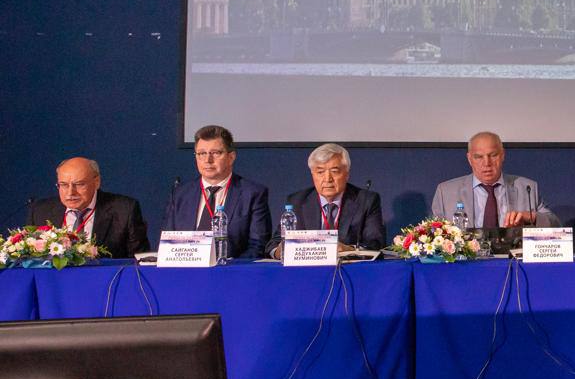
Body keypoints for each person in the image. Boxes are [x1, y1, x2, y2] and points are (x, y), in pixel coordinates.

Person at [161, 124, 272, 259]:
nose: (208, 160)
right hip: (187, 268)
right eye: (202, 153)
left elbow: (258, 246)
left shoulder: (252, 194)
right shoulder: (180, 194)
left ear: (231, 157)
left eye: (215, 153)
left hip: (232, 270)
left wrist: (227, 268)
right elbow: (168, 243)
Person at [271, 143, 386, 255]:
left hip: (348, 266)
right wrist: (281, 251)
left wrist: (349, 250)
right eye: (320, 172)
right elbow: (274, 245)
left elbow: (375, 244)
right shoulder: (297, 201)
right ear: (312, 175)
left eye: (334, 171)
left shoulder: (366, 200)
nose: (327, 179)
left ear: (347, 174)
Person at [430, 131, 560, 228]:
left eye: (493, 155)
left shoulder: (526, 188)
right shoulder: (446, 192)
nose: (487, 163)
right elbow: (432, 235)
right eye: (479, 157)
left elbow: (555, 224)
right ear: (469, 159)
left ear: (502, 155)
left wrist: (530, 217)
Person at [27, 157, 149, 256]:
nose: (70, 192)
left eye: (79, 184)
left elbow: (140, 261)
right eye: (63, 185)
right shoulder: (40, 211)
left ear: (96, 182)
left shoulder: (124, 210)